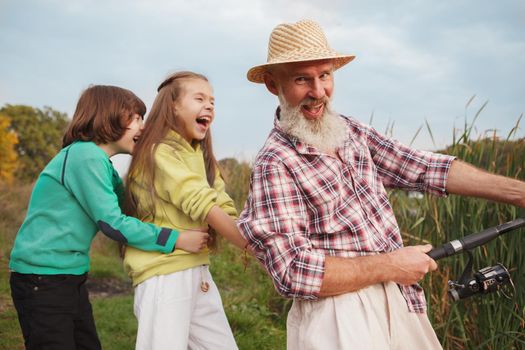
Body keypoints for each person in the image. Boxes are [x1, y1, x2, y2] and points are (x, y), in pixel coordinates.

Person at [237, 19, 525, 349]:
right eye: (302, 79)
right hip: (337, 319)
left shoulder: (353, 132)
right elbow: (293, 271)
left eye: (325, 75)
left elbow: (424, 168)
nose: (318, 92)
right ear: (273, 85)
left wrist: (518, 193)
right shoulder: (274, 162)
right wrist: (391, 264)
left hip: (401, 300)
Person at [9, 85, 209, 350]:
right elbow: (113, 224)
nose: (143, 126)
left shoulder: (103, 165)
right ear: (108, 116)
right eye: (135, 118)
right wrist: (176, 239)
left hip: (69, 276)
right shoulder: (85, 156)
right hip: (41, 278)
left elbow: (130, 207)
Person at [123, 71, 246, 350]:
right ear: (173, 106)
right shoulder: (159, 152)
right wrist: (249, 244)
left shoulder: (200, 156)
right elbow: (200, 201)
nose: (210, 106)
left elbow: (222, 202)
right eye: (199, 98)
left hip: (197, 270)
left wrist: (252, 232)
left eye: (213, 101)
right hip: (164, 273)